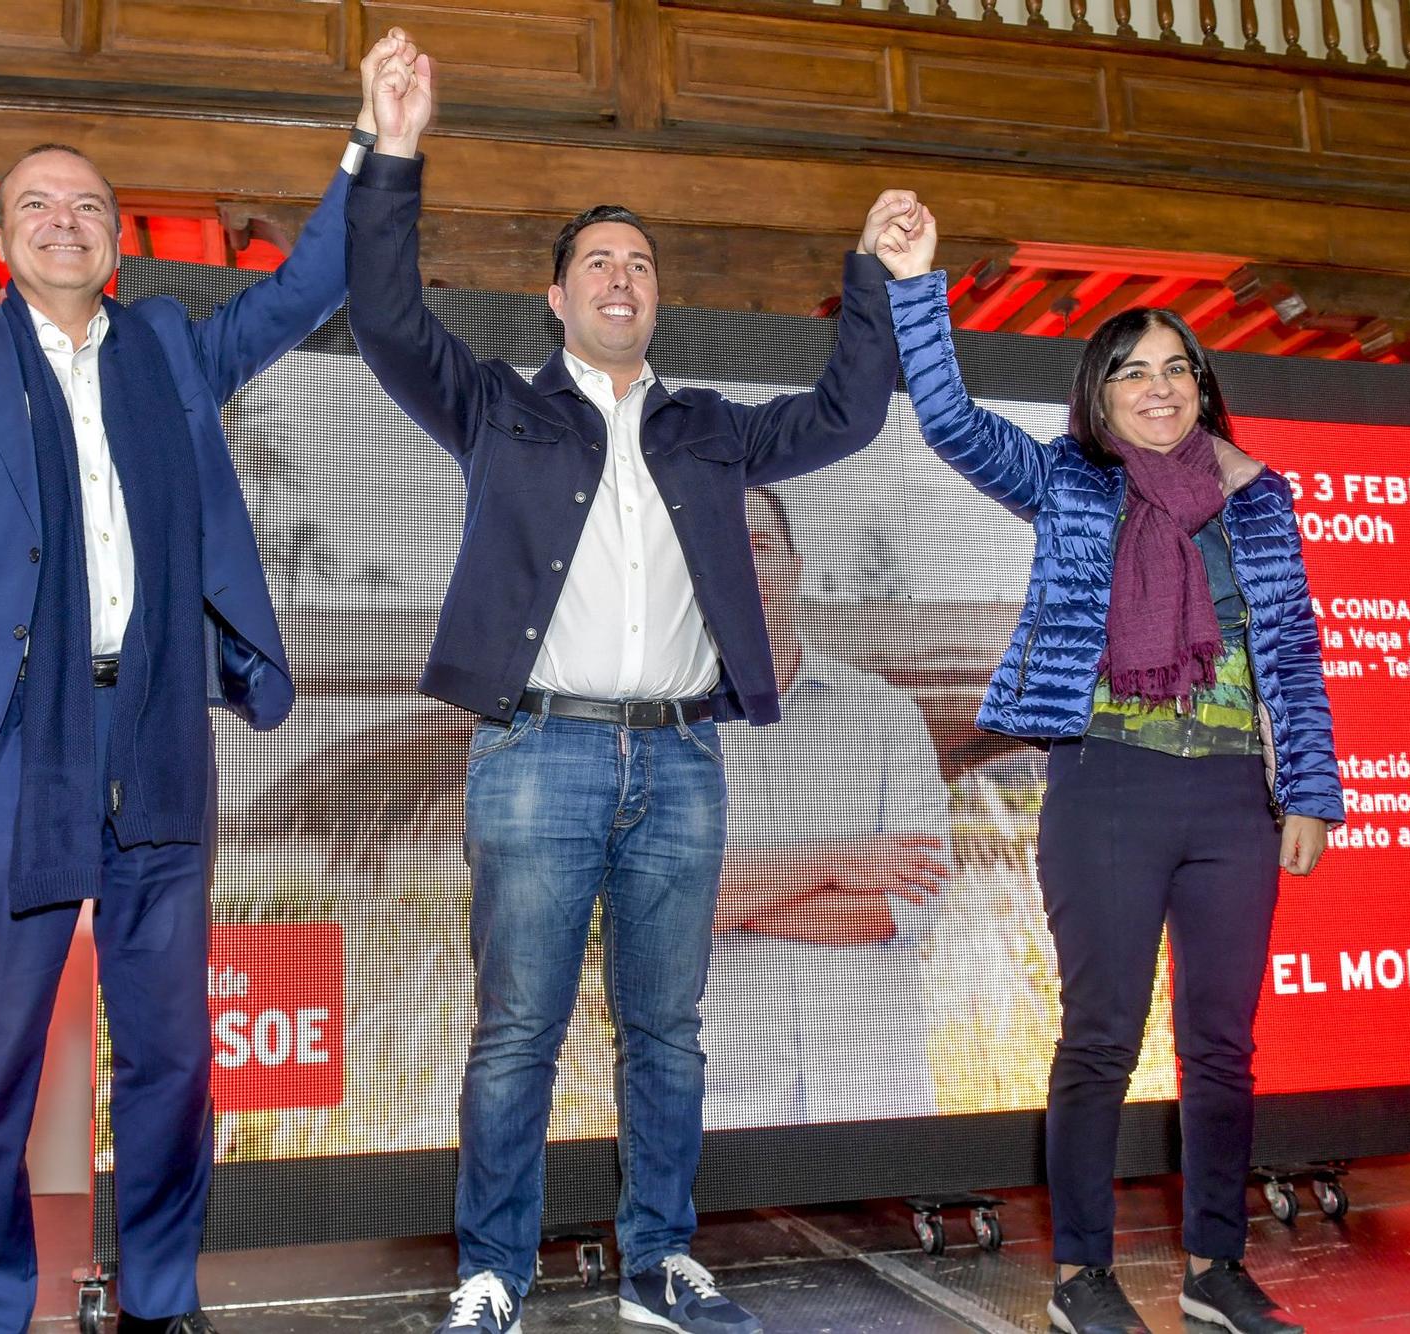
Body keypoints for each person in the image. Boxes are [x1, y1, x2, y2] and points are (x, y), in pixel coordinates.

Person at [0, 39, 402, 1333]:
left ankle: (161, 1292)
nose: (63, 220)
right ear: (1, 238)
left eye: (87, 204)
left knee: (174, 1053)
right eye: (38, 204)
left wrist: (372, 147)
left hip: (152, 726)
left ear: (116, 237)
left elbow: (306, 286)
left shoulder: (172, 349)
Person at [347, 39, 918, 1334]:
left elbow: (848, 414)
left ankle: (660, 1263)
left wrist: (874, 282)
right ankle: (492, 1271)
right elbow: (385, 320)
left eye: (641, 264)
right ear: (555, 298)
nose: (622, 277)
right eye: (598, 261)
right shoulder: (498, 408)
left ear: (657, 301)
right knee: (517, 1036)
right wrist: (393, 151)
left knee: (666, 1034)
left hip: (679, 763)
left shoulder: (710, 425)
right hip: (535, 756)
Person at [874, 204, 1342, 1334]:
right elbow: (943, 417)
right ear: (1099, 393)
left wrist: (1309, 791)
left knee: (1221, 1045)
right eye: (1133, 371)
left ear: (1200, 384)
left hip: (1234, 795)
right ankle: (1082, 1273)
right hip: (1108, 785)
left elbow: (1289, 647)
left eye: (1176, 367)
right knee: (1099, 1034)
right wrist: (912, 285)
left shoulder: (1256, 497)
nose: (1160, 385)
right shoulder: (1069, 483)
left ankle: (1211, 1265)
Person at [703, 486, 954, 1127]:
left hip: (872, 1086)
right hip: (720, 1094)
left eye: (759, 545)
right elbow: (649, 904)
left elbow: (898, 911)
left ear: (796, 561)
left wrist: (724, 895)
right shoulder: (658, 728)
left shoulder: (886, 716)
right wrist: (841, 861)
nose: (744, 565)